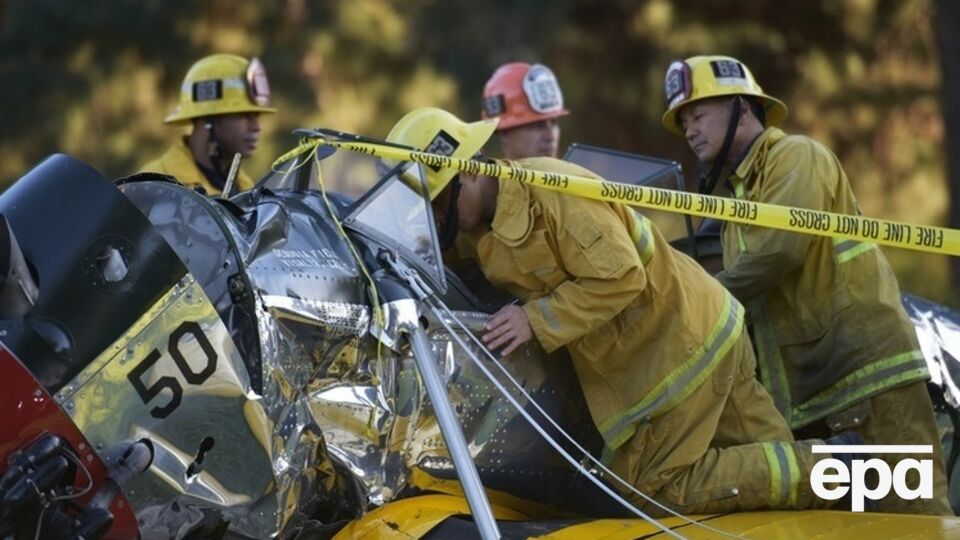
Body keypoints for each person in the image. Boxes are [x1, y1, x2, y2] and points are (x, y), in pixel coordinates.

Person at [384, 107, 854, 516]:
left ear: (467, 171)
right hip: (702, 334)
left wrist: (536, 319)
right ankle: (846, 476)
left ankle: (842, 465)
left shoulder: (552, 191)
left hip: (679, 347)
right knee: (777, 469)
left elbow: (622, 276)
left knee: (648, 489)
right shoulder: (473, 227)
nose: (436, 216)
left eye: (438, 201)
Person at [661, 54, 951, 515]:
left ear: (741, 107)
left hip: (868, 382)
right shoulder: (738, 207)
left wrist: (700, 305)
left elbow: (778, 252)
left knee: (914, 520)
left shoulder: (796, 156)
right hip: (815, 398)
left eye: (698, 115)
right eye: (684, 122)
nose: (690, 130)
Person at [140, 53, 276, 196]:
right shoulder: (152, 185)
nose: (256, 127)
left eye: (256, 116)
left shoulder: (247, 189)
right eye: (243, 115)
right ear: (207, 119)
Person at [481, 62, 567, 159]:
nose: (551, 137)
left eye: (554, 122)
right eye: (537, 125)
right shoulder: (479, 173)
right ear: (504, 132)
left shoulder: (579, 173)